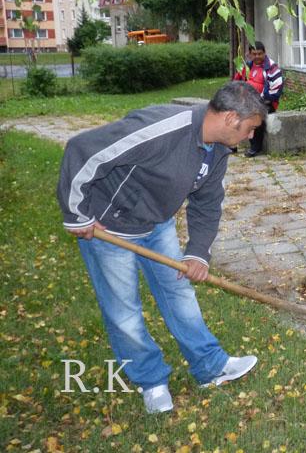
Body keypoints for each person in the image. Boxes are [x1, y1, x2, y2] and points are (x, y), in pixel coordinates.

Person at [56, 82, 266, 413]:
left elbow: (208, 202)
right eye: (251, 129)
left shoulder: (217, 150)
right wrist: (77, 213)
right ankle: (151, 382)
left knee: (179, 293)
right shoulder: (160, 128)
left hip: (157, 224)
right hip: (109, 228)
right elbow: (81, 149)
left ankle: (211, 367)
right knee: (124, 311)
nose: (251, 137)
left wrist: (198, 251)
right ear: (230, 118)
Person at [233, 41, 284, 157]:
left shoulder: (271, 68)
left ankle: (256, 146)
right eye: (254, 54)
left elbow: (276, 89)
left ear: (264, 53)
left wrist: (259, 101)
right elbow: (237, 81)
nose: (257, 57)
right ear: (250, 54)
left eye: (259, 54)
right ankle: (233, 143)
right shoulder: (247, 66)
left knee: (253, 114)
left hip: (266, 102)